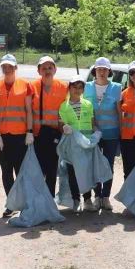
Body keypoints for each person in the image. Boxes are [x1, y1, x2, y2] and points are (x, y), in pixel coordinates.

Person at [0, 54, 34, 217]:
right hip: (2, 137)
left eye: (10, 66)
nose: (7, 69)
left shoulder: (26, 85)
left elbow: (29, 110)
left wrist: (29, 132)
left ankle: (23, 203)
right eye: (4, 67)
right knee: (6, 171)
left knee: (20, 171)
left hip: (20, 136)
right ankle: (11, 203)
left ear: (15, 68)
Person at [83, 57, 122, 212]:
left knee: (108, 165)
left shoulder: (116, 88)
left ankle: (105, 197)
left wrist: (121, 131)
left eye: (105, 69)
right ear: (95, 71)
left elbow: (119, 112)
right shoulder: (86, 87)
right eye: (99, 69)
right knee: (94, 164)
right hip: (92, 134)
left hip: (111, 134)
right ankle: (97, 195)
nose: (102, 72)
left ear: (109, 71)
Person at [59, 75, 98, 212]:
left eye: (80, 87)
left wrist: (96, 134)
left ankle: (87, 200)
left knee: (86, 172)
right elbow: (61, 123)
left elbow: (93, 123)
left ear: (83, 89)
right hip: (72, 145)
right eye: (74, 87)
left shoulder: (88, 104)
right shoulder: (64, 106)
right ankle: (76, 200)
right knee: (73, 172)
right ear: (69, 88)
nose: (77, 89)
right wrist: (64, 127)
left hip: (86, 144)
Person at [31, 56, 68, 197]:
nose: (47, 71)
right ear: (39, 71)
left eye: (50, 67)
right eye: (44, 68)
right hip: (36, 135)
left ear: (55, 69)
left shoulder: (64, 87)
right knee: (38, 170)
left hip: (55, 134)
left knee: (52, 169)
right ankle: (39, 201)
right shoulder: (32, 86)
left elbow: (67, 110)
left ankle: (50, 200)